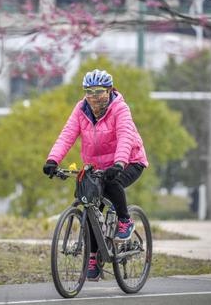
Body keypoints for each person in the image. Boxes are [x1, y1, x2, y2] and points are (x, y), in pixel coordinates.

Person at [42, 69, 148, 281]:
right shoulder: (81, 109)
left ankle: (125, 221)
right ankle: (93, 257)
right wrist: (53, 160)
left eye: (99, 92)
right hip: (97, 167)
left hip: (130, 161)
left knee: (112, 183)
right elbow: (67, 135)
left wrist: (119, 163)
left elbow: (126, 136)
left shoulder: (120, 108)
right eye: (89, 92)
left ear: (109, 91)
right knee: (90, 206)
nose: (94, 97)